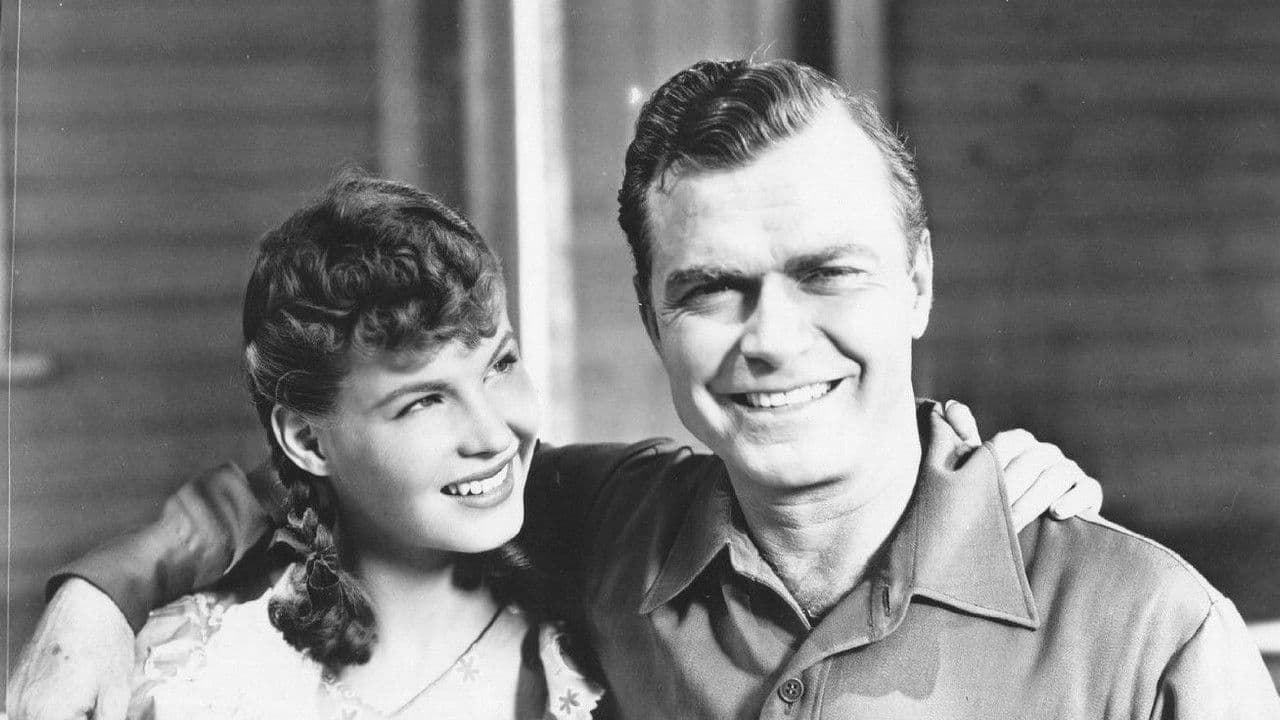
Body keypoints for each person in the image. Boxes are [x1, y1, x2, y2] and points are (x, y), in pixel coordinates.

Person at [7, 57, 1194, 719]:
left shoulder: (1144, 630)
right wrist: (102, 595)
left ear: (917, 282)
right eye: (712, 289)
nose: (773, 339)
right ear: (649, 318)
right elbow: (350, 484)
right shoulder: (611, 525)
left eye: (827, 273)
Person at [128, 174, 602, 718]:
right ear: (308, 440)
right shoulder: (200, 675)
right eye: (424, 401)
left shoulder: (597, 640)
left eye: (501, 364)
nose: (494, 435)